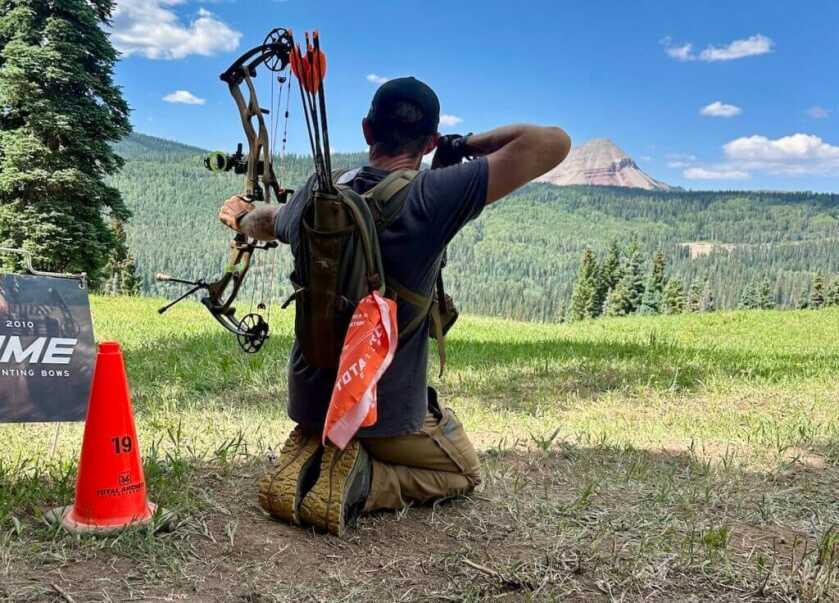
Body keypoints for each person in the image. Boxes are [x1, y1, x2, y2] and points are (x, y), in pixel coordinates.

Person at [219, 77, 571, 536]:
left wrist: (241, 216)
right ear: (429, 142)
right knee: (463, 472)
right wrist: (462, 144)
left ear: (367, 130)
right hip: (381, 416)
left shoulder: (322, 190)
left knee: (349, 415)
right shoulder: (434, 196)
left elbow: (270, 221)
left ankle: (319, 442)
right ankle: (363, 480)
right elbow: (552, 143)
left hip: (310, 402)